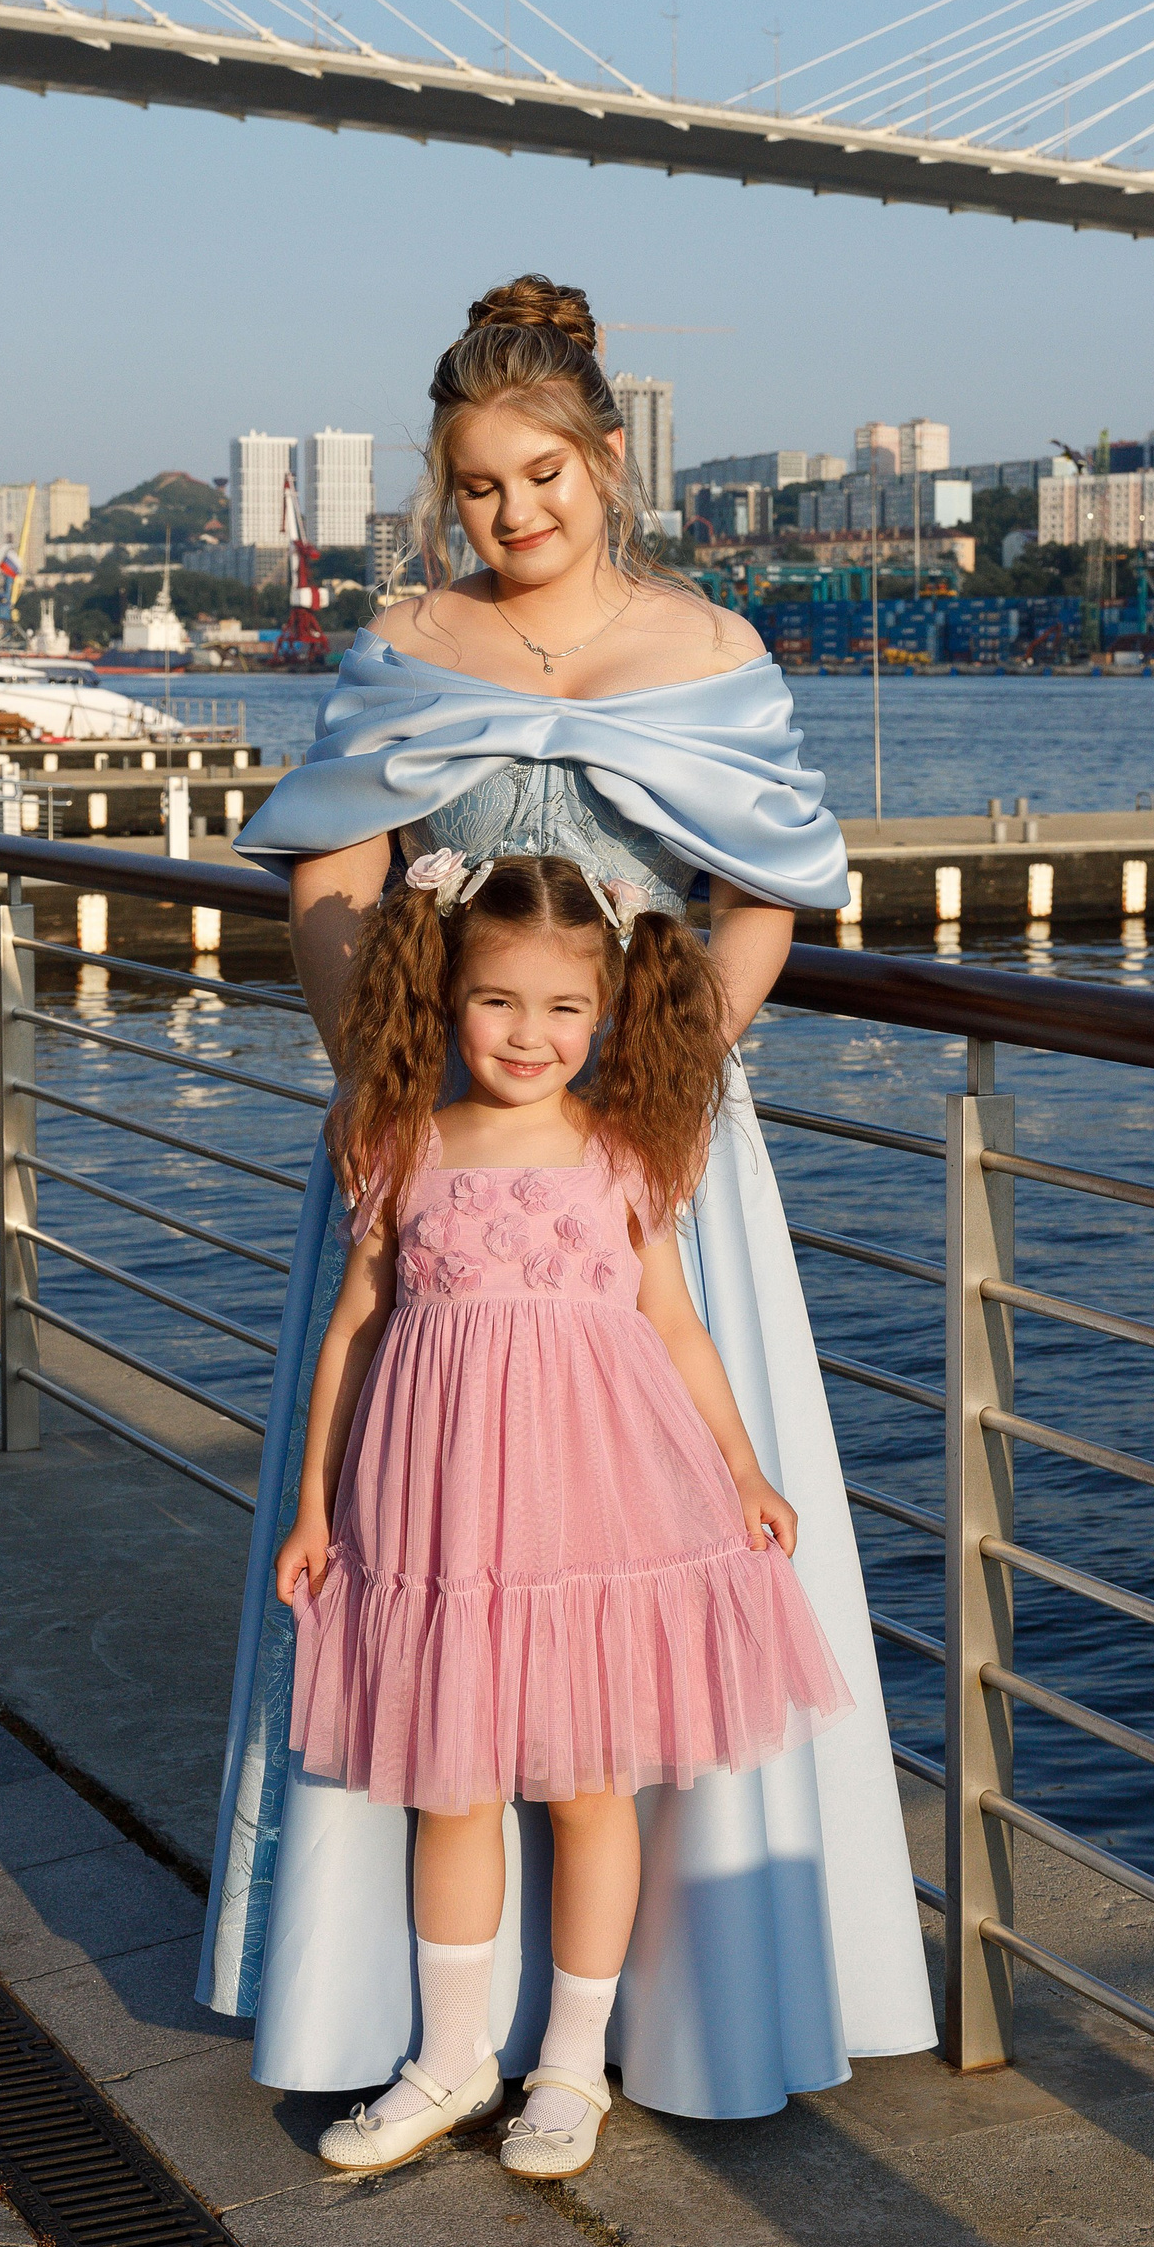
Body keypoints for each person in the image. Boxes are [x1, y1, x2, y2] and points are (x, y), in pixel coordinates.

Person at [199, 273, 935, 2126]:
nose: (511, 512)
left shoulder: (713, 646)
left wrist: (662, 1085)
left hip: (646, 1153)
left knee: (652, 1575)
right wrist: (383, 1076)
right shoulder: (406, 638)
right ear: (442, 488)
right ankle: (428, 2032)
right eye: (476, 485)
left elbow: (766, 891)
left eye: (542, 475)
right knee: (426, 1563)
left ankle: (642, 2034)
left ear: (610, 460)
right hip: (436, 1146)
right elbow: (332, 870)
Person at [278, 850, 851, 2177]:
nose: (528, 1035)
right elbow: (353, 1330)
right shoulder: (398, 1140)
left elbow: (676, 1327)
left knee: (594, 1789)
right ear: (448, 997)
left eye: (562, 1009)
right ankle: (449, 2058)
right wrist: (314, 1505)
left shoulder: (622, 1149)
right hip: (437, 1510)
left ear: (605, 1012)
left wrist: (744, 1469)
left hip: (596, 1505)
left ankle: (573, 2065)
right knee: (454, 1789)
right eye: (498, 1002)